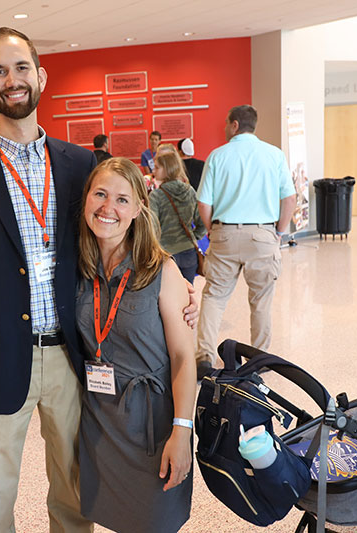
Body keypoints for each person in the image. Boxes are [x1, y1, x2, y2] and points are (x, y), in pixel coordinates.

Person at [0, 27, 199, 533]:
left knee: (77, 494)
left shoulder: (78, 163)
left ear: (41, 76)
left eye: (21, 68)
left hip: (73, 356)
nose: (12, 80)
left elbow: (115, 233)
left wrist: (179, 286)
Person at [76, 158, 195, 533]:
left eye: (122, 200)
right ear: (85, 200)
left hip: (154, 426)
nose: (108, 208)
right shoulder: (78, 268)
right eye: (100, 194)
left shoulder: (161, 270)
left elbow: (182, 357)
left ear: (139, 209)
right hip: (101, 424)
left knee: (154, 522)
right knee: (113, 519)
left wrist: (182, 430)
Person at [196, 105, 296, 379]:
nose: (225, 128)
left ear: (235, 125)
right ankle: (259, 360)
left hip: (224, 233)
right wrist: (278, 232)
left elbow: (203, 202)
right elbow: (289, 198)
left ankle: (204, 356)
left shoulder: (217, 156)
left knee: (214, 297)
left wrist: (212, 230)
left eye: (227, 123)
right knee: (261, 300)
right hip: (263, 234)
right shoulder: (274, 154)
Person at [149, 151, 206, 283]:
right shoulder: (189, 190)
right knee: (188, 296)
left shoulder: (156, 196)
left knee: (167, 300)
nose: (153, 170)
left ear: (167, 169)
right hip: (189, 253)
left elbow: (152, 228)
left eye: (157, 167)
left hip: (166, 255)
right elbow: (202, 222)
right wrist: (193, 236)